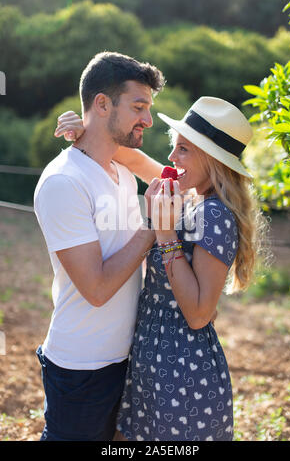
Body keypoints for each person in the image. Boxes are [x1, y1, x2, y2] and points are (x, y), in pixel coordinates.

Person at [56, 95, 268, 441]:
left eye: (183, 149)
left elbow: (199, 314)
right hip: (153, 364)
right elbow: (136, 159)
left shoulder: (213, 215)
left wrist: (164, 229)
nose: (171, 158)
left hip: (182, 376)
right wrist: (88, 132)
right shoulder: (191, 197)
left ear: (211, 159)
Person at [34, 51, 166, 441]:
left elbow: (177, 179)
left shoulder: (122, 171)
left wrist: (92, 133)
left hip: (127, 358)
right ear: (102, 103)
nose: (148, 119)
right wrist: (152, 229)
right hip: (81, 368)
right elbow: (96, 288)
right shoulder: (64, 182)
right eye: (139, 106)